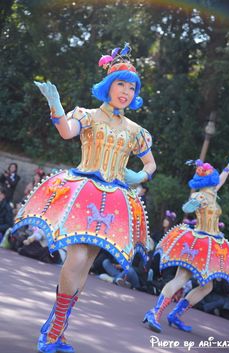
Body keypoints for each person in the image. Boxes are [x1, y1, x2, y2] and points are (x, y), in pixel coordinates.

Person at [13, 43, 156, 353]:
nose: (126, 91)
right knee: (76, 258)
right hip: (85, 190)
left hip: (116, 199)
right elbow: (66, 132)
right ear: (108, 85)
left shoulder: (136, 131)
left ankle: (57, 328)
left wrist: (139, 176)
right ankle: (54, 329)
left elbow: (150, 164)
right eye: (121, 84)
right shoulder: (88, 115)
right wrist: (55, 106)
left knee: (87, 263)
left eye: (132, 87)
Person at [143, 156, 229, 333]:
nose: (217, 177)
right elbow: (186, 209)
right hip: (199, 243)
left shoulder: (213, 191)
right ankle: (154, 312)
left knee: (207, 286)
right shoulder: (201, 195)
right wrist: (193, 203)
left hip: (212, 244)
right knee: (182, 278)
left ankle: (175, 315)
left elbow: (222, 178)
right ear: (209, 179)